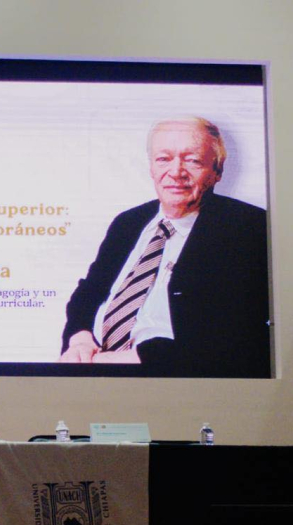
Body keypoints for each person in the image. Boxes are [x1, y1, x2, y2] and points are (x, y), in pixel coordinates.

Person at [59, 116, 270, 377]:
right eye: (163, 159)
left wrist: (113, 361)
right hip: (93, 374)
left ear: (217, 170)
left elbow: (229, 338)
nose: (176, 172)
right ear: (151, 167)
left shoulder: (249, 227)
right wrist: (79, 340)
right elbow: (88, 294)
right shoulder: (128, 222)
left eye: (192, 160)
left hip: (177, 384)